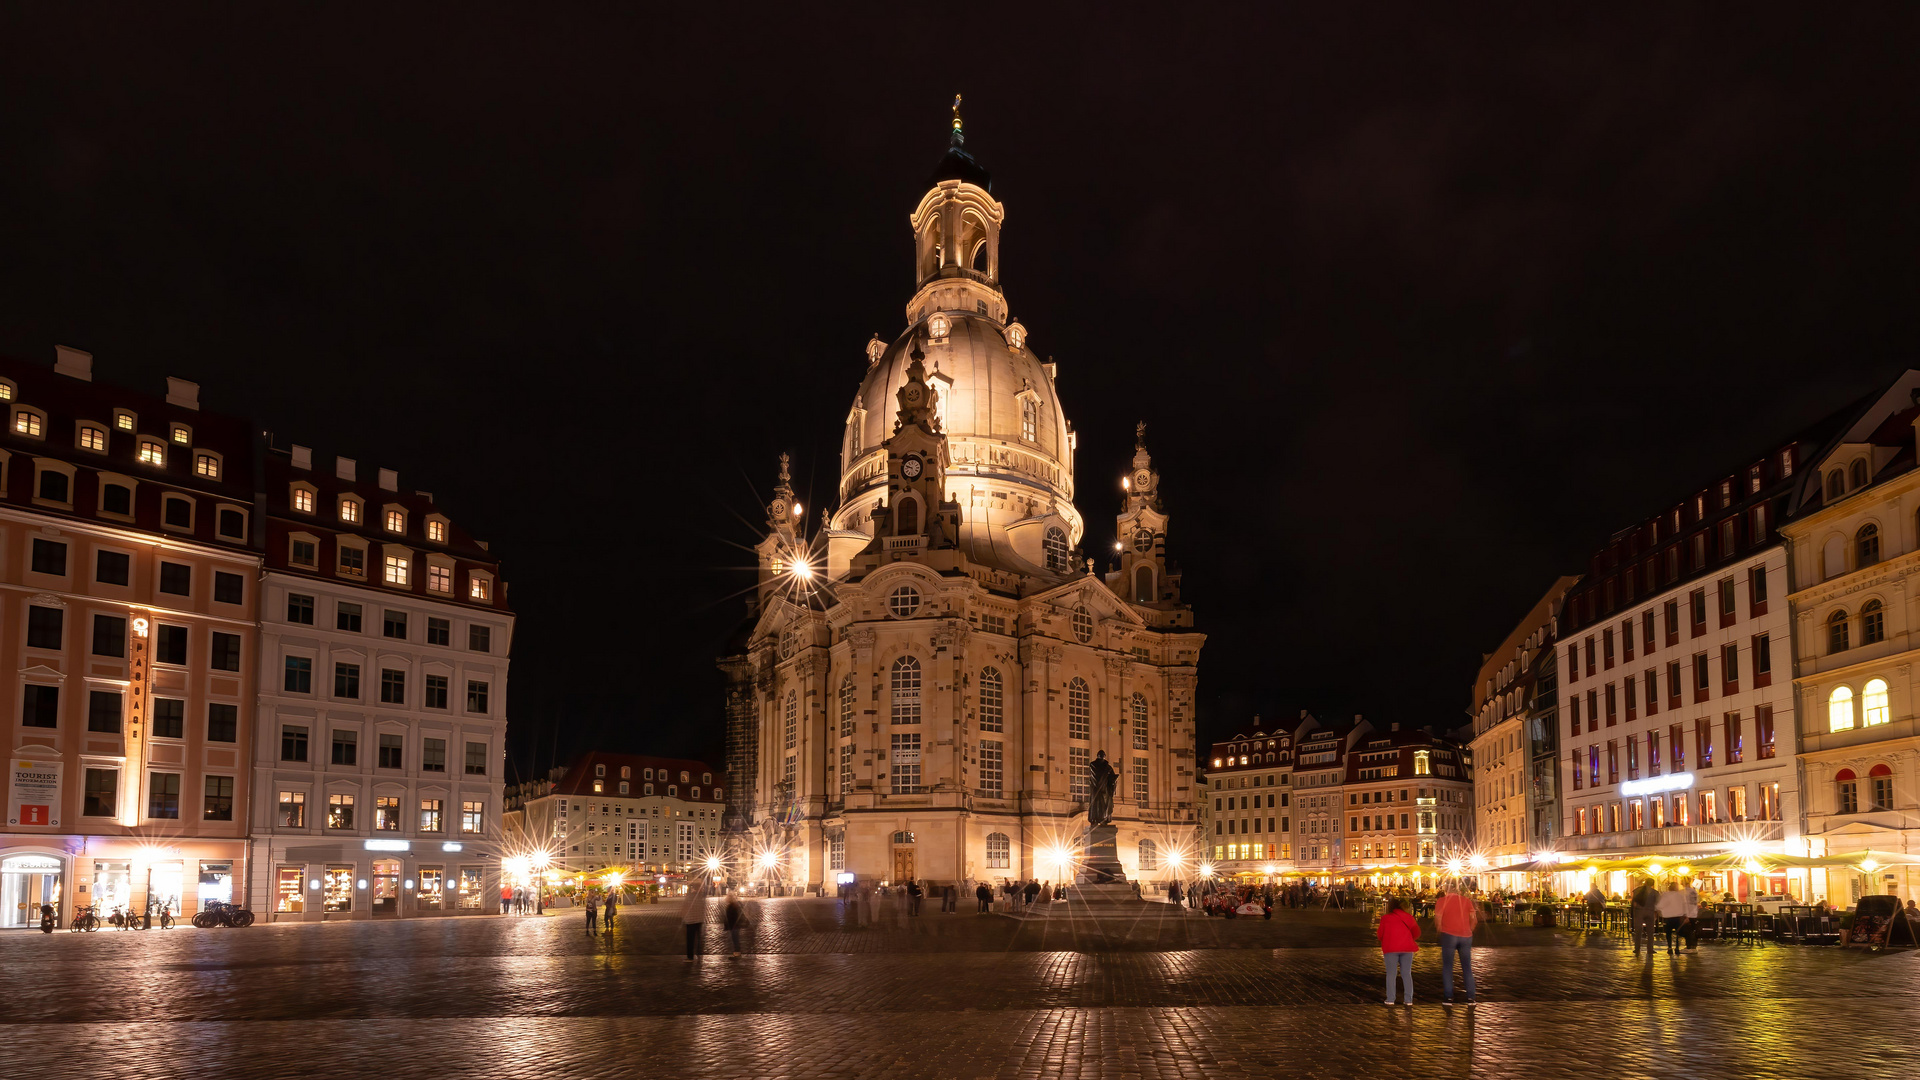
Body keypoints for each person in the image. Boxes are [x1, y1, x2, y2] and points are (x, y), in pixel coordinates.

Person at [1434, 883, 1480, 1005]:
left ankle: (1448, 997)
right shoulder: (1466, 901)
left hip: (1448, 934)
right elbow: (1473, 919)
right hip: (1466, 936)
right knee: (1467, 967)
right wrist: (1469, 930)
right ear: (1458, 890)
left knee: (1448, 967)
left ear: (1445, 890)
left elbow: (1438, 919)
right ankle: (1471, 997)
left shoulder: (1441, 901)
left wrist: (1439, 931)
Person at [1378, 896, 1421, 1006]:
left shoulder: (1385, 918)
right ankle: (1408, 999)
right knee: (1406, 973)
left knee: (1391, 974)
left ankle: (1391, 999)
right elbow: (1416, 933)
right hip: (1407, 948)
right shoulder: (1409, 917)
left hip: (1391, 948)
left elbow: (1380, 934)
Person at [1630, 878, 1661, 957]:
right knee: (1650, 932)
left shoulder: (1637, 890)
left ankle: (1637, 948)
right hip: (1650, 912)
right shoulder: (1655, 893)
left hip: (1639, 912)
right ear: (1652, 884)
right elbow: (1658, 903)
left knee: (1638, 931)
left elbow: (1633, 902)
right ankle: (1650, 949)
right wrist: (1656, 913)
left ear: (1645, 882)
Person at [683, 888, 706, 961]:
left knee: (690, 940)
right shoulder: (701, 899)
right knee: (699, 938)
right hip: (699, 921)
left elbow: (685, 909)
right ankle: (699, 953)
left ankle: (690, 957)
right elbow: (703, 910)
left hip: (690, 921)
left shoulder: (689, 899)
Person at [1682, 879, 1701, 952]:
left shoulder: (1685, 892)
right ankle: (1693, 945)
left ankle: (1689, 946)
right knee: (1693, 929)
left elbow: (1686, 904)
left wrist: (1686, 915)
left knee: (1688, 930)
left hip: (1688, 913)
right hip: (1694, 913)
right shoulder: (1694, 891)